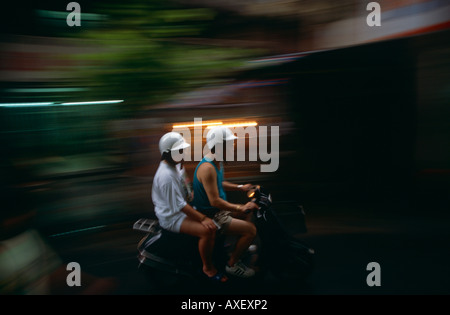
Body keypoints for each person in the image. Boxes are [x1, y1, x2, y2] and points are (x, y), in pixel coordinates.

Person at [151, 132, 227, 282]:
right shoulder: (166, 176)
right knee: (208, 231)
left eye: (182, 150)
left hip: (181, 209)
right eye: (179, 151)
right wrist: (203, 218)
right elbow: (179, 206)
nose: (183, 153)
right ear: (167, 154)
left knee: (215, 221)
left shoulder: (176, 166)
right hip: (172, 217)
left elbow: (185, 185)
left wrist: (193, 194)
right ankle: (208, 268)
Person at [192, 126, 259, 278]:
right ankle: (232, 264)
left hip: (219, 210)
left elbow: (219, 183)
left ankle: (235, 249)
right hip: (213, 214)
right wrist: (239, 207)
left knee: (249, 214)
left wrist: (240, 187)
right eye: (229, 145)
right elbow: (214, 201)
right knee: (251, 230)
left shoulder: (217, 161)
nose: (232, 148)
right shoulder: (208, 168)